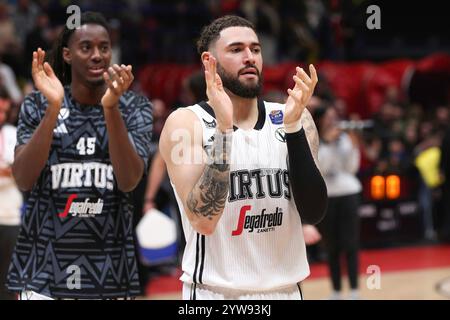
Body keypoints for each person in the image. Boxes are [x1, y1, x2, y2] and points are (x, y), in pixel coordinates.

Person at [159, 15, 327, 300]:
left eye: (256, 49)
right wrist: (225, 130)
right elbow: (203, 221)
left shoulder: (293, 118)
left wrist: (294, 129)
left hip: (285, 291)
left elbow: (314, 212)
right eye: (236, 50)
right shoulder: (186, 123)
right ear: (209, 61)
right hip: (216, 293)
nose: (249, 57)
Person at [6, 12, 153, 300]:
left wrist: (111, 108)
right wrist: (54, 107)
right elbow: (23, 178)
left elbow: (129, 181)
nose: (97, 55)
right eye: (86, 47)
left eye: (104, 47)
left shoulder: (134, 107)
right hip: (43, 274)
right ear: (68, 54)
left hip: (110, 274)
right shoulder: (38, 104)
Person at [313, 105, 362, 300]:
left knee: (351, 244)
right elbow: (320, 168)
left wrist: (353, 144)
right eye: (328, 117)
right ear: (320, 120)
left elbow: (351, 168)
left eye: (335, 116)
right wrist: (325, 142)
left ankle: (354, 290)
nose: (332, 121)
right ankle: (335, 291)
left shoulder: (344, 139)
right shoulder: (315, 140)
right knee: (331, 246)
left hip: (349, 192)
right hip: (328, 195)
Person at [0, 89, 22, 300]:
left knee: (9, 279)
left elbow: (19, 169)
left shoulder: (12, 134)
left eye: (3, 110)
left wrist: (9, 170)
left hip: (11, 215)